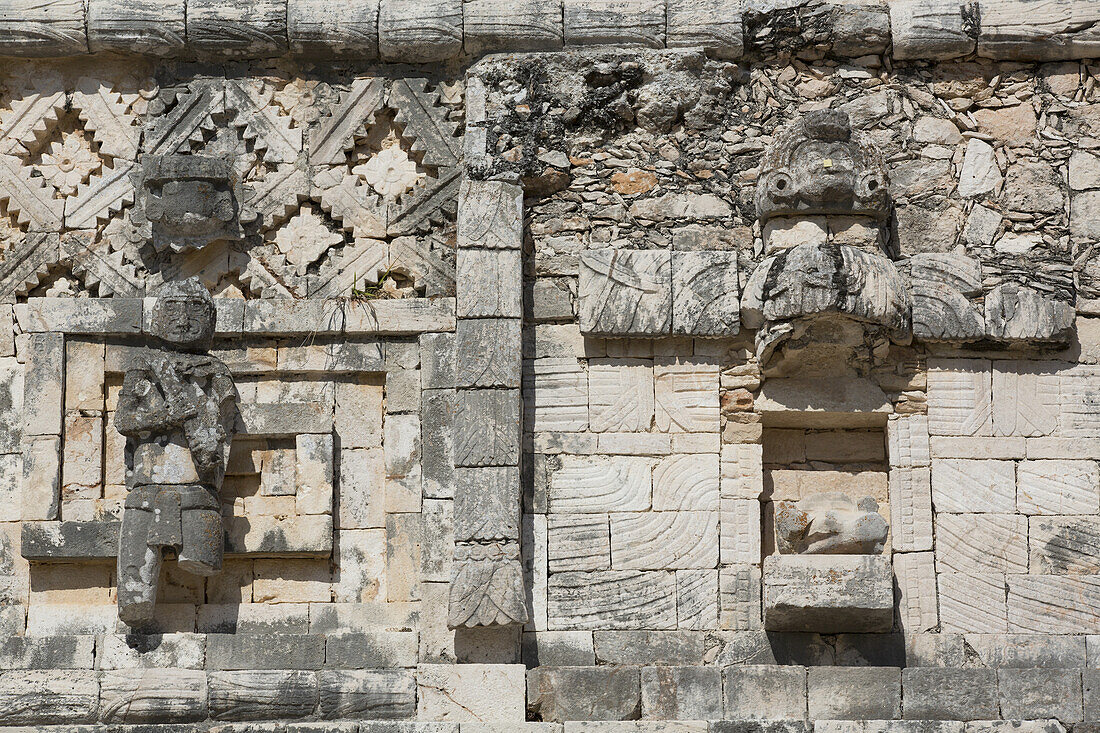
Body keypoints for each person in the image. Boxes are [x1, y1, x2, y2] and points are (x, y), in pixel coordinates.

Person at [114, 278, 237, 626]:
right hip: (146, 488)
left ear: (209, 319)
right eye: (172, 308)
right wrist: (170, 417)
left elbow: (221, 431)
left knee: (202, 558)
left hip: (196, 488)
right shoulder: (144, 365)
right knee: (134, 603)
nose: (183, 318)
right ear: (157, 317)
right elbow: (124, 420)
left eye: (194, 308)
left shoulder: (215, 372)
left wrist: (204, 441)